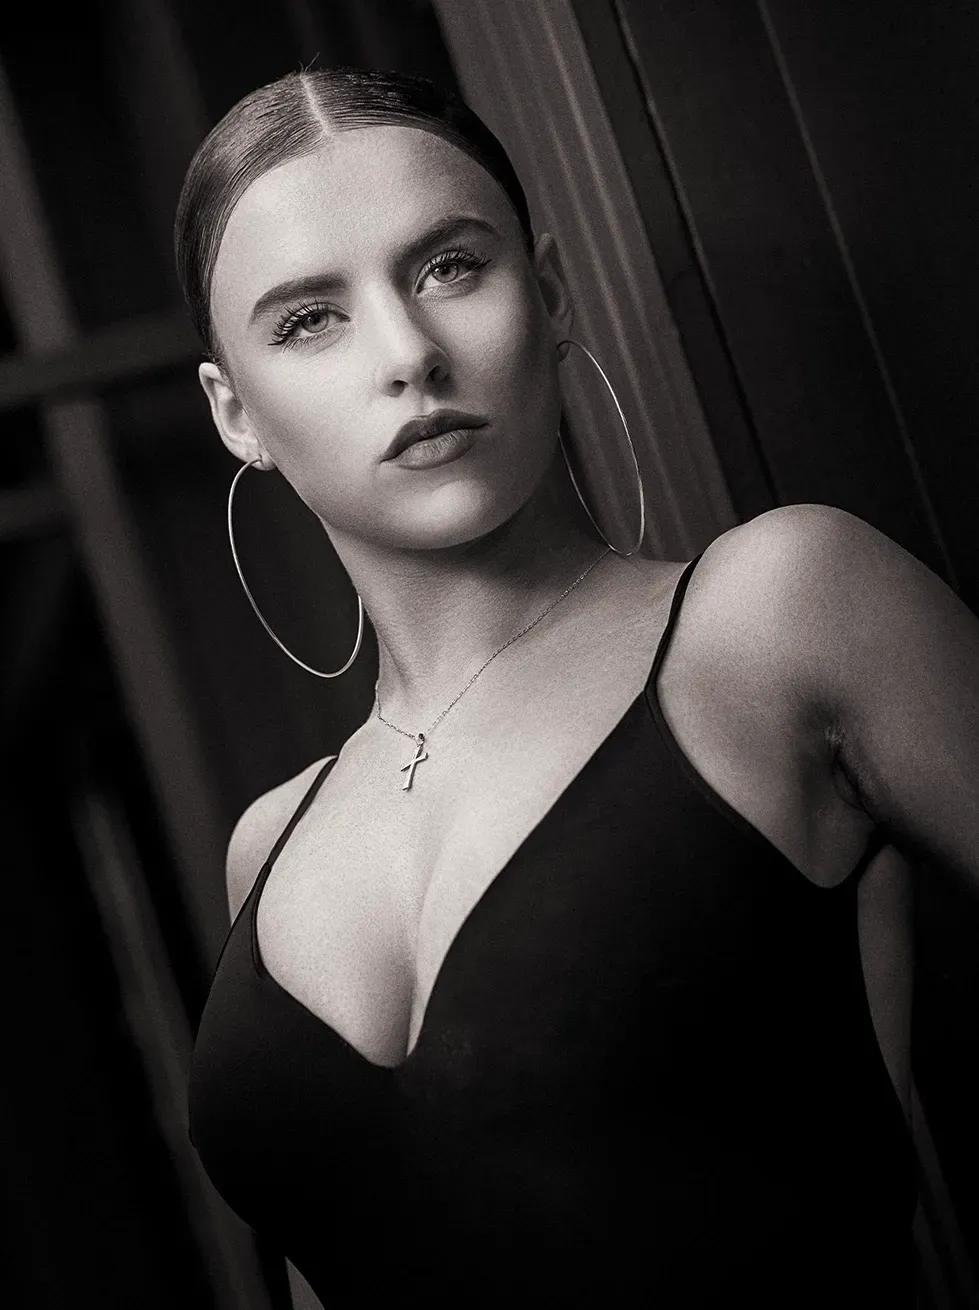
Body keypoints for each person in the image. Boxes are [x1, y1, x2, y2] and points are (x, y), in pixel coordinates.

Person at [178, 66, 978, 1308]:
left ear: (546, 294)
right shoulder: (266, 849)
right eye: (307, 319)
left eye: (449, 266)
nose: (408, 354)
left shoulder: (775, 616)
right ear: (237, 411)